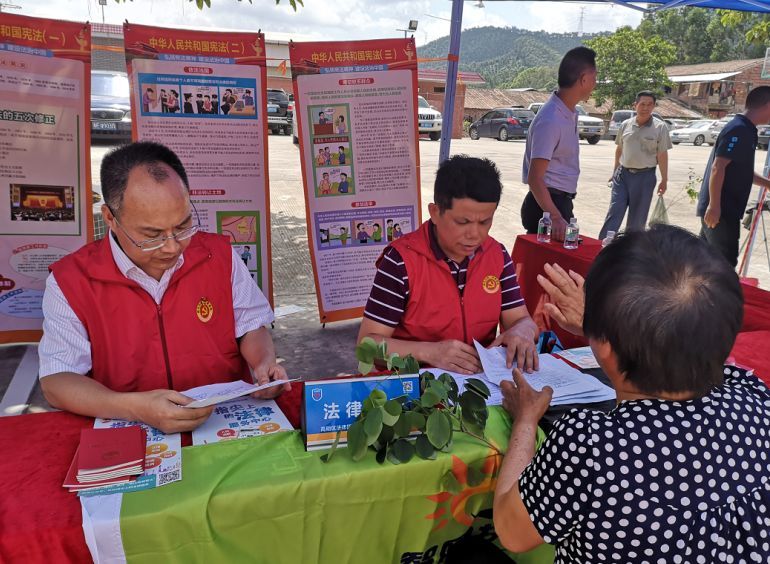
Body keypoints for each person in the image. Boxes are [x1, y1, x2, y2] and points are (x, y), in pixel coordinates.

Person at [493, 225, 770, 562]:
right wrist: (612, 333)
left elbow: (511, 531)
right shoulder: (753, 397)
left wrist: (525, 420)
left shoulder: (591, 447)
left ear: (607, 346)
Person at [38, 142, 289, 433]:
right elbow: (57, 381)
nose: (172, 247)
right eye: (152, 235)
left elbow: (251, 326)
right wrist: (136, 408)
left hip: (221, 424)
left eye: (183, 226)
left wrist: (263, 364)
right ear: (110, 218)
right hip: (131, 431)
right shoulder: (72, 281)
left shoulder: (216, 254)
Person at [358, 155, 538, 375]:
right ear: (435, 213)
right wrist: (430, 352)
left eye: (485, 222)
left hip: (480, 384)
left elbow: (522, 320)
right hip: (415, 386)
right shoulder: (401, 261)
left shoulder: (496, 255)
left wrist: (523, 331)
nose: (475, 234)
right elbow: (367, 346)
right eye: (463, 222)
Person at [522, 46, 597, 241]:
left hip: (559, 202)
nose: (595, 85)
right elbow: (535, 178)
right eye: (594, 78)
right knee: (547, 267)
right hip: (546, 208)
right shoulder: (551, 119)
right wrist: (554, 217)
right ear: (584, 79)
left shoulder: (569, 113)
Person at [698, 86, 770, 266]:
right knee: (724, 265)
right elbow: (718, 167)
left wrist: (767, 183)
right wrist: (714, 206)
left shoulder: (747, 129)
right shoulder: (739, 129)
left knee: (702, 261)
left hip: (723, 208)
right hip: (721, 210)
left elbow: (740, 170)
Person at [599, 91, 672, 239]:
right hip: (622, 176)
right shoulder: (626, 125)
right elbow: (620, 148)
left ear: (654, 106)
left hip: (645, 177)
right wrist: (614, 171)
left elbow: (662, 155)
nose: (645, 108)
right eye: (642, 104)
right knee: (615, 211)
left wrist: (664, 179)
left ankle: (630, 254)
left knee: (637, 221)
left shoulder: (660, 127)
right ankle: (602, 247)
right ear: (635, 105)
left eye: (649, 104)